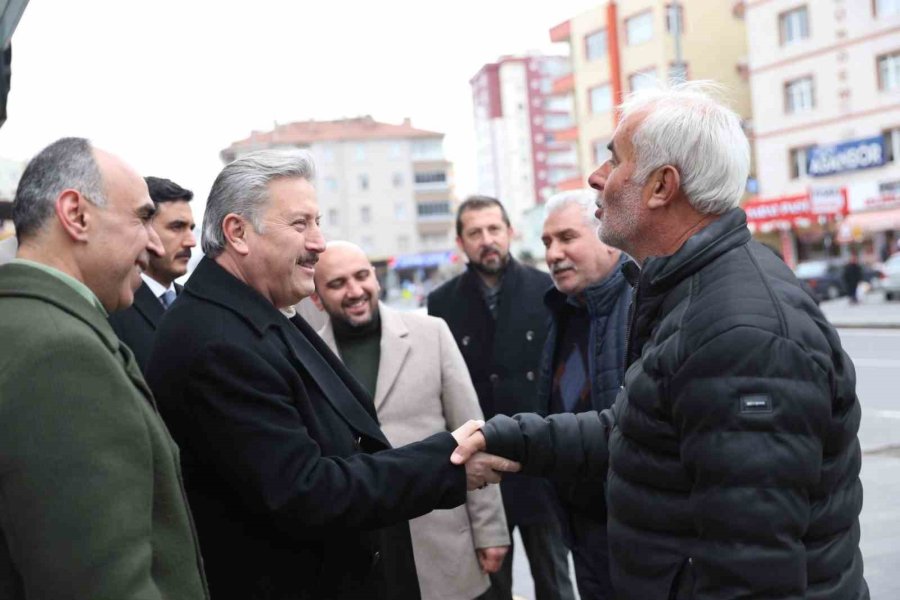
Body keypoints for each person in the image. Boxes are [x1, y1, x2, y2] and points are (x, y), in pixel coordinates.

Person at [453, 82, 869, 600]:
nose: (596, 179)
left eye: (614, 159)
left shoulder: (740, 334)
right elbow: (643, 430)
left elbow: (753, 574)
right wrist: (514, 437)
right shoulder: (692, 292)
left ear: (660, 186)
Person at [144, 149, 518, 600]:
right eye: (301, 224)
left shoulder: (261, 312)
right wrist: (448, 462)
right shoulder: (215, 341)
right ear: (237, 232)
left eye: (317, 222)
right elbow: (306, 491)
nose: (319, 243)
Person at [0, 137, 208, 599]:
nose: (152, 240)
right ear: (76, 215)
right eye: (141, 218)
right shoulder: (58, 354)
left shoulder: (31, 326)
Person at [312, 241, 511, 600]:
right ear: (316, 297)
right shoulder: (310, 358)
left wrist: (491, 531)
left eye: (361, 277)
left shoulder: (431, 333)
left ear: (375, 278)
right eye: (338, 283)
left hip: (441, 538)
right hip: (365, 551)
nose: (354, 291)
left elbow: (475, 432)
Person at [428, 196, 575, 600]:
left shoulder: (546, 289)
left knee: (555, 583)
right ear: (461, 242)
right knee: (491, 588)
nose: (486, 240)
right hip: (480, 465)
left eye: (494, 229)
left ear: (510, 233)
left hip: (541, 460)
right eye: (475, 233)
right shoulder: (442, 302)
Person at [537, 190, 630, 600]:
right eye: (546, 242)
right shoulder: (563, 311)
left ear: (607, 237)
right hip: (583, 528)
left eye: (567, 237)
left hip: (634, 533)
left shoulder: (643, 302)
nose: (554, 254)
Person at [108, 176, 196, 371]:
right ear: (143, 228)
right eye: (177, 227)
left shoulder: (199, 307)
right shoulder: (114, 308)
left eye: (191, 228)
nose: (191, 241)